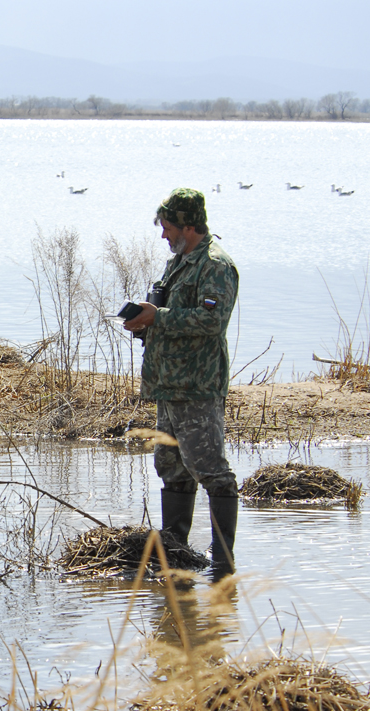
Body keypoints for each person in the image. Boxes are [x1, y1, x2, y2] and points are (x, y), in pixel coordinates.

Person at [123, 188, 239, 579]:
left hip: (197, 386)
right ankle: (176, 554)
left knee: (210, 469)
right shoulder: (179, 263)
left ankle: (223, 567)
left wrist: (160, 318)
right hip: (168, 386)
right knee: (171, 467)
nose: (163, 235)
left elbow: (211, 322)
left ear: (189, 226)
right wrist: (144, 322)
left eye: (168, 227)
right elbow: (169, 313)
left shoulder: (216, 266)